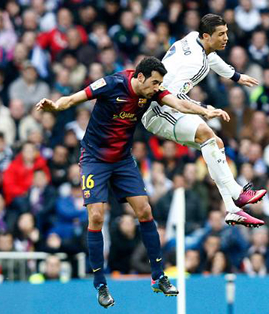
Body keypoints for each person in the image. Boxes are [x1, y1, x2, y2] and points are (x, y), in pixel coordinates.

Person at [36, 57, 229, 308]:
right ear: (140, 77)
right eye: (155, 83)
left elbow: (178, 103)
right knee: (95, 217)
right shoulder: (111, 83)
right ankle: (100, 285)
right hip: (95, 159)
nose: (158, 88)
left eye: (160, 84)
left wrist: (205, 111)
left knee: (145, 211)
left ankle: (159, 276)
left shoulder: (153, 91)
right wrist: (55, 106)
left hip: (123, 160)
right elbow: (73, 99)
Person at [141, 14, 266, 227]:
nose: (226, 38)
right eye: (221, 34)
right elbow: (171, 95)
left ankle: (233, 209)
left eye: (226, 32)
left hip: (169, 105)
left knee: (215, 144)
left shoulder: (193, 39)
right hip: (157, 108)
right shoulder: (195, 64)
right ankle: (237, 192)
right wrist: (205, 109)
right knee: (206, 134)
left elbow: (212, 57)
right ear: (207, 36)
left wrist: (235, 76)